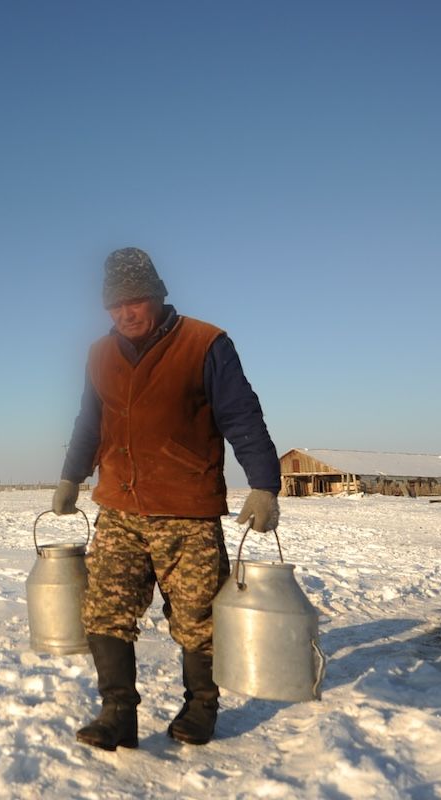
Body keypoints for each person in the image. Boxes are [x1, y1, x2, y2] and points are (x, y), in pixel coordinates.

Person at [53, 247, 280, 749]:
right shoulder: (98, 354)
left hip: (187, 506)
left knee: (197, 616)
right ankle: (118, 714)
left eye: (134, 302)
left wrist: (264, 484)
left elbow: (242, 416)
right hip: (119, 504)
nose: (124, 314)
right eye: (114, 306)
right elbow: (90, 423)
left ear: (156, 296)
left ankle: (201, 705)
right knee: (104, 608)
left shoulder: (205, 343)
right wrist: (71, 478)